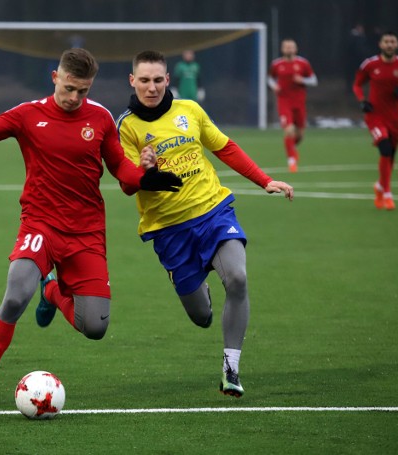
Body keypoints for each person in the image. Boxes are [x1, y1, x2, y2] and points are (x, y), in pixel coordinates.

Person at [0, 48, 183, 410]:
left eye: (83, 91)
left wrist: (146, 177)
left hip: (86, 232)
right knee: (15, 297)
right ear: (55, 77)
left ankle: (51, 293)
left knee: (94, 327)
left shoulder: (102, 119)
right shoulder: (27, 115)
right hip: (40, 224)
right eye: (70, 88)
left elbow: (120, 170)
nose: (75, 98)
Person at [116, 50, 294, 398]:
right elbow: (125, 185)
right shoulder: (125, 126)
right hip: (169, 231)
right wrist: (144, 168)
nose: (151, 88)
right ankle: (199, 290)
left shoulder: (190, 111)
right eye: (144, 80)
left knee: (239, 278)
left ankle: (231, 368)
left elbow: (224, 147)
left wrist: (263, 180)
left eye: (157, 80)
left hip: (214, 212)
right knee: (201, 317)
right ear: (132, 81)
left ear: (168, 80)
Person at [352, 31, 398, 211]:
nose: (389, 44)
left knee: (391, 156)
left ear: (397, 44)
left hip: (396, 117)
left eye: (392, 41)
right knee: (385, 148)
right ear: (380, 44)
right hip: (375, 116)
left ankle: (380, 186)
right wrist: (362, 101)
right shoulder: (370, 64)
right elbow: (357, 84)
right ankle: (387, 194)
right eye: (386, 41)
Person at [268, 39, 318, 173]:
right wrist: (274, 86)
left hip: (299, 103)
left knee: (300, 135)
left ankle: (291, 149)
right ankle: (291, 160)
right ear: (282, 49)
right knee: (289, 130)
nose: (289, 49)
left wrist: (303, 80)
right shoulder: (277, 64)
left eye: (291, 47)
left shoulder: (303, 63)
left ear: (296, 49)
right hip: (284, 102)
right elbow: (270, 79)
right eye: (286, 47)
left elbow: (314, 80)